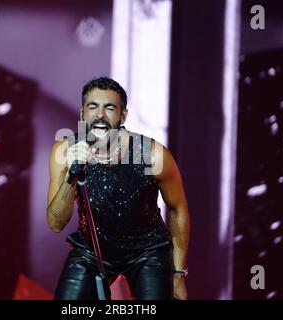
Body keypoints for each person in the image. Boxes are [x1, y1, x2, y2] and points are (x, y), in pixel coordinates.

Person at [47, 77, 191, 300]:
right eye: (92, 107)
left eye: (110, 107)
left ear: (123, 115)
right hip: (91, 251)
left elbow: (177, 208)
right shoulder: (65, 151)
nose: (100, 115)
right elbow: (56, 224)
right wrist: (71, 176)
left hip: (146, 251)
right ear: (82, 113)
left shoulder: (152, 154)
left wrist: (179, 273)